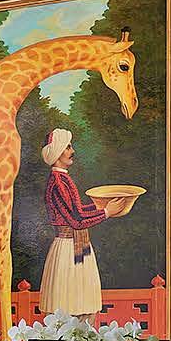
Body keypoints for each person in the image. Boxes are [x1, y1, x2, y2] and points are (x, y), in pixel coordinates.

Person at [38, 129, 118, 317]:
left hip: (78, 245)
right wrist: (106, 212)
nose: (72, 151)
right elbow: (76, 220)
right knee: (69, 305)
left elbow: (77, 210)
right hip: (67, 248)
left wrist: (99, 206)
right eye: (67, 147)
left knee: (83, 303)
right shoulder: (58, 182)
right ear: (57, 152)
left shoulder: (63, 178)